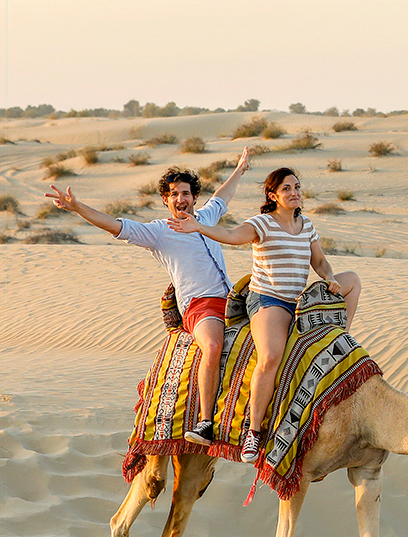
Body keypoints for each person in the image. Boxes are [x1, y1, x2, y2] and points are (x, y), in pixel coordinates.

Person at [45, 149, 254, 445]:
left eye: (185, 193)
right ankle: (206, 421)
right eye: (174, 194)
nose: (180, 199)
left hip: (232, 297)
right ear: (166, 201)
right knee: (213, 344)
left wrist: (240, 169)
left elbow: (223, 195)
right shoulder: (158, 232)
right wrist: (79, 208)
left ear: (194, 197)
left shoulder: (205, 217)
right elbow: (116, 225)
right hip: (199, 304)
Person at [170, 167, 361, 464]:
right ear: (273, 196)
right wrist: (200, 227)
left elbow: (320, 260)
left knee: (353, 281)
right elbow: (232, 235)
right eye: (286, 188)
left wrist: (331, 276)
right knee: (270, 356)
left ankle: (340, 336)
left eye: (297, 186)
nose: (294, 192)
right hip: (269, 300)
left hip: (299, 299)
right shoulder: (263, 223)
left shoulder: (306, 225)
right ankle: (254, 431)